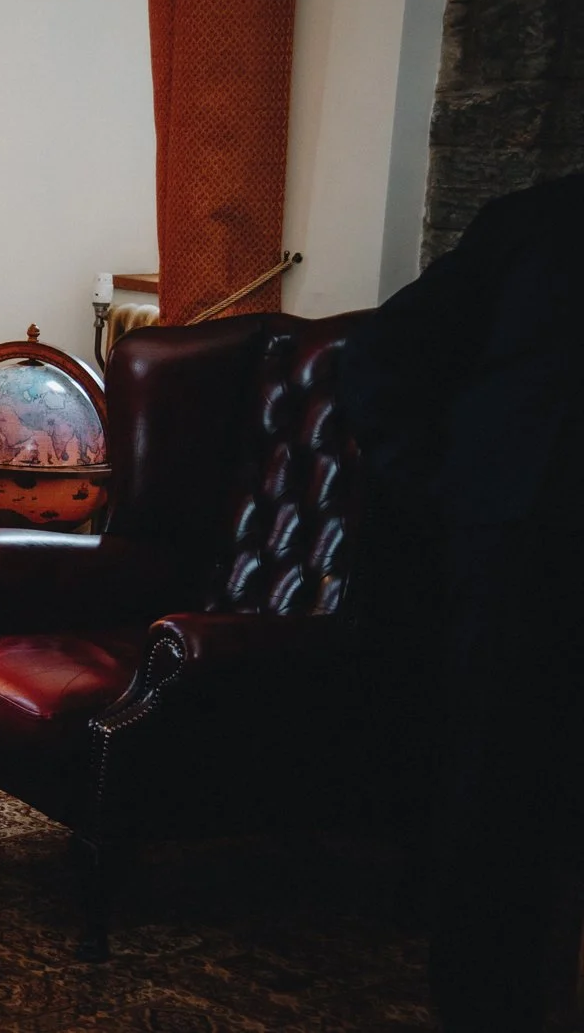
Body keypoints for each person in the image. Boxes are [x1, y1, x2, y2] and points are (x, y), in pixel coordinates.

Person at [341, 173, 584, 1032]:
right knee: (500, 815)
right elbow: (377, 359)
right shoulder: (541, 224)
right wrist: (449, 493)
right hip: (528, 566)